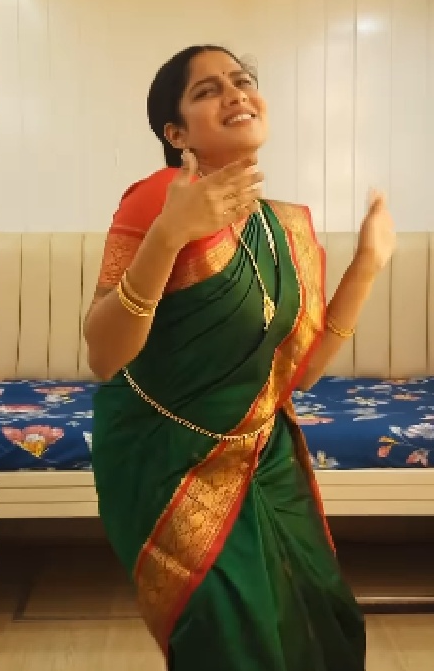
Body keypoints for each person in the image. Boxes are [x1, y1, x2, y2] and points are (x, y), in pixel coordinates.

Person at [85, 45, 395, 670]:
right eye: (207, 91)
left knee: (323, 614)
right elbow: (103, 353)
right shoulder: (158, 198)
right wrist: (171, 233)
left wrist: (367, 264)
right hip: (167, 459)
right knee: (228, 635)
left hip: (262, 452)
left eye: (242, 80)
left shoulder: (287, 229)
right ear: (176, 134)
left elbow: (302, 373)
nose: (234, 94)